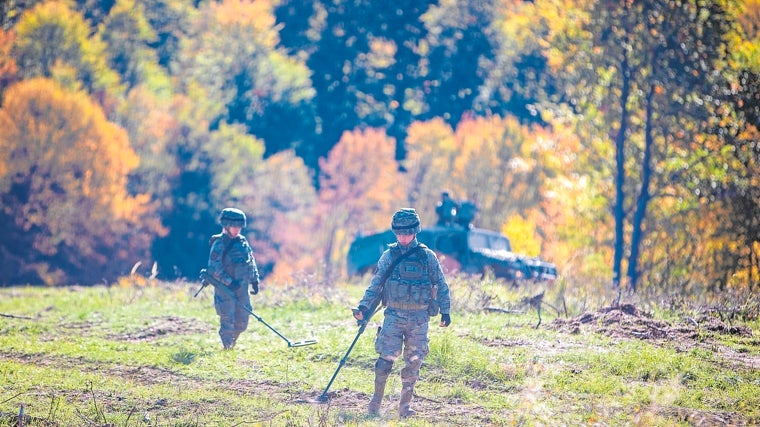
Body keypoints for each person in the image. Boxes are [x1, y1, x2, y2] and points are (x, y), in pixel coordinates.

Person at [353, 208, 451, 418]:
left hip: (419, 318)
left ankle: (404, 408)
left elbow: (441, 284)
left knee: (414, 362)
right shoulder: (389, 256)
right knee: (384, 361)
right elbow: (376, 284)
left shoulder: (427, 257)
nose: (403, 237)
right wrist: (363, 307)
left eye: (407, 233)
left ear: (415, 231)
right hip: (394, 316)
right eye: (399, 233)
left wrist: (446, 311)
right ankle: (375, 403)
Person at [206, 207, 260, 350]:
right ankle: (228, 347)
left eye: (239, 226)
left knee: (243, 320)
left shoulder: (242, 241)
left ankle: (233, 341)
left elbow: (250, 261)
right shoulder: (219, 244)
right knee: (227, 318)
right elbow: (214, 268)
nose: (237, 229)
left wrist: (254, 280)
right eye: (234, 226)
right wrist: (229, 282)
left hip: (242, 287)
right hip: (226, 289)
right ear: (226, 226)